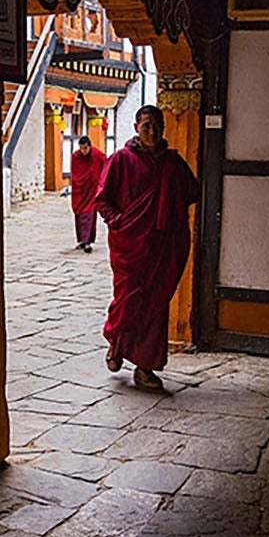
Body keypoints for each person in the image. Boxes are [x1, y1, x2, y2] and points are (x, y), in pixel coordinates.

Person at [95, 104, 201, 391]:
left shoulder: (173, 164)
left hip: (163, 247)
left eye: (157, 126)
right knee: (128, 299)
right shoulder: (121, 160)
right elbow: (101, 200)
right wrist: (119, 221)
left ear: (163, 128)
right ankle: (116, 345)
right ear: (136, 128)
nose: (152, 131)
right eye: (146, 126)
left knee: (155, 306)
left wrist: (169, 212)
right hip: (130, 245)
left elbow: (192, 192)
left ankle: (145, 367)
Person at [67, 134, 103, 251]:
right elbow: (75, 173)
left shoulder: (97, 155)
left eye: (85, 148)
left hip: (91, 190)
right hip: (80, 191)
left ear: (90, 147)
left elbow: (106, 166)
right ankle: (81, 240)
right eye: (81, 148)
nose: (83, 151)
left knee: (89, 215)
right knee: (79, 214)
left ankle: (88, 242)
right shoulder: (76, 156)